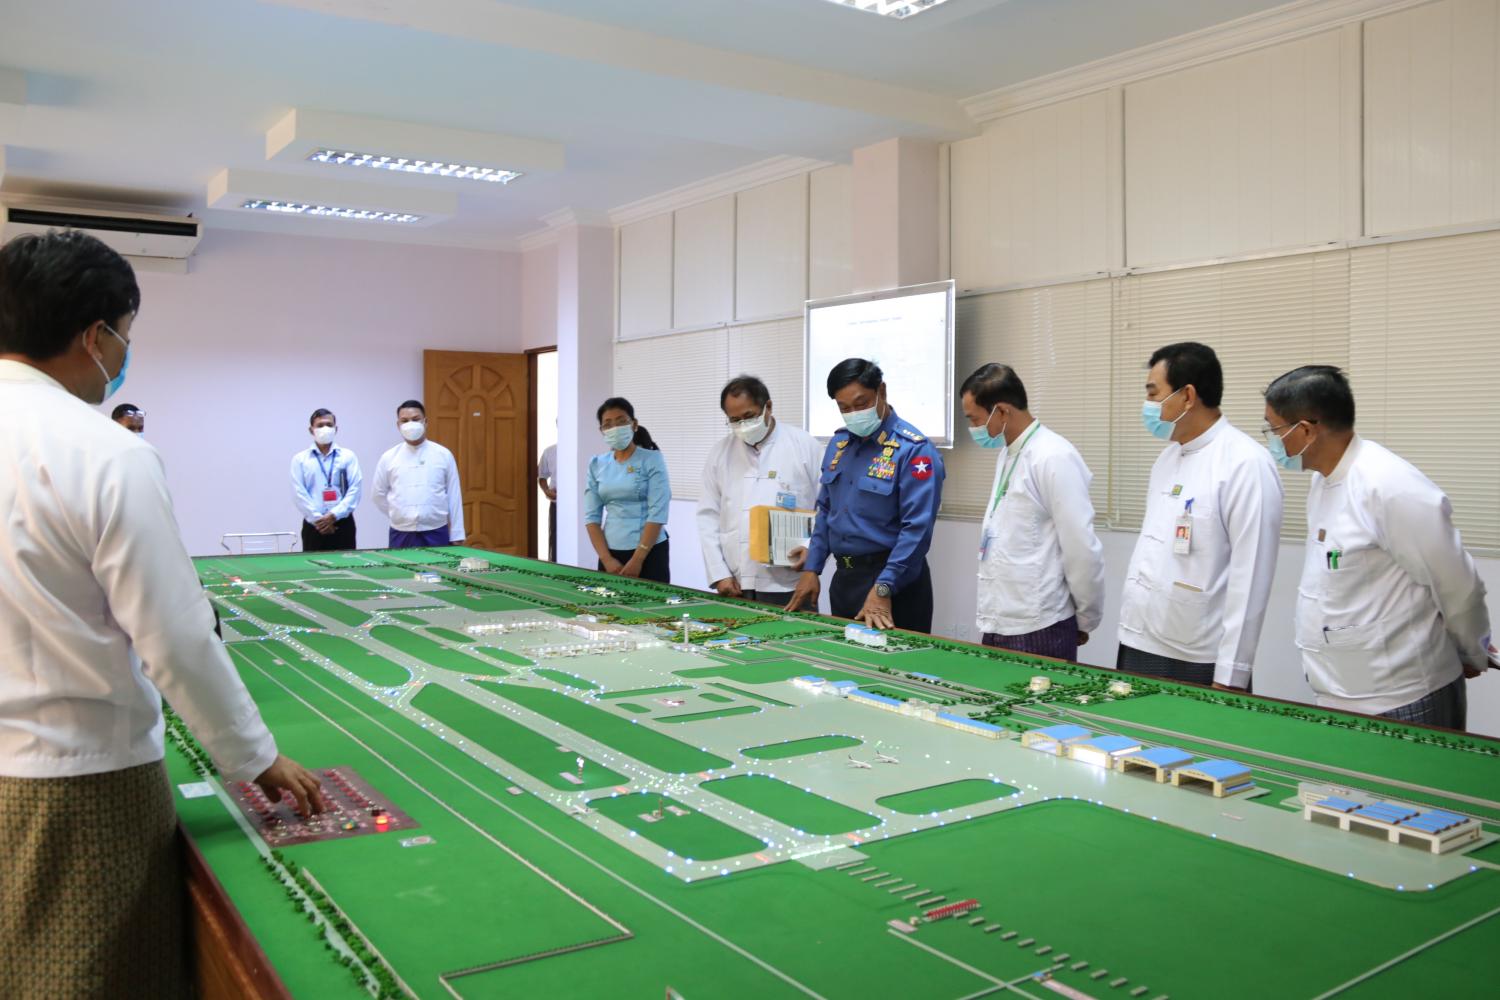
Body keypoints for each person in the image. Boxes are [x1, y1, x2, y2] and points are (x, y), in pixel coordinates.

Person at [0, 230, 324, 998]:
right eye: (126, 335)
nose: (124, 355)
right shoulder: (107, 454)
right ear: (95, 337)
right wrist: (254, 756)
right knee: (101, 977)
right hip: (82, 783)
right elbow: (176, 637)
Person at [1264, 365, 1489, 729]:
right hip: (1341, 690)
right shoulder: (1324, 481)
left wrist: (1471, 650)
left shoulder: (1389, 486)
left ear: (1305, 430)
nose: (1272, 441)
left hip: (1404, 696)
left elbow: (1457, 584)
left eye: (1274, 430)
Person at [1117, 342, 1283, 690]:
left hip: (1196, 653)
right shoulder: (1167, 459)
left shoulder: (1245, 463)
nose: (1147, 404)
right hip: (1139, 637)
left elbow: (1251, 576)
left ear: (1187, 396)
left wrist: (1232, 674)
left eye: (1153, 393)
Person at [961, 363, 1105, 662]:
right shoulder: (1009, 452)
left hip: (1041, 624)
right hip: (1000, 617)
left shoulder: (1053, 456)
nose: (973, 428)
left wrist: (1085, 618)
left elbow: (1081, 547)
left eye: (974, 419)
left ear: (1002, 411)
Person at [788, 359, 944, 632]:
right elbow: (827, 511)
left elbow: (916, 531)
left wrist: (884, 587)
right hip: (845, 580)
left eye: (861, 404)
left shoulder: (913, 450)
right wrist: (813, 568)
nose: (853, 414)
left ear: (881, 391)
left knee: (895, 660)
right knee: (844, 657)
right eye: (844, 408)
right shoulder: (839, 445)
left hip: (895, 584)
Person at [696, 375, 823, 608]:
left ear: (768, 407)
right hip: (735, 579)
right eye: (735, 420)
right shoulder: (720, 453)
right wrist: (718, 572)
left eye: (749, 416)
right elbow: (708, 516)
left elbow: (826, 508)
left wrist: (812, 555)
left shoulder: (805, 446)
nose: (743, 425)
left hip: (791, 580)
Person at [585, 397, 671, 582]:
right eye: (608, 424)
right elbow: (591, 518)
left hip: (649, 551)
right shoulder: (596, 464)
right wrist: (606, 559)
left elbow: (658, 513)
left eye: (621, 421)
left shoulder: (652, 459)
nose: (615, 428)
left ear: (634, 424)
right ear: (602, 430)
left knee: (649, 600)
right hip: (610, 553)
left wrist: (638, 559)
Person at [371, 399, 465, 548]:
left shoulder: (443, 454)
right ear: (398, 425)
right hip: (401, 532)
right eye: (405, 421)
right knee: (401, 564)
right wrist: (399, 513)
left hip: (436, 530)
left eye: (415, 419)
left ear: (425, 422)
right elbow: (378, 494)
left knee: (438, 564)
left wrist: (457, 533)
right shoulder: (388, 457)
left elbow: (454, 495)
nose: (410, 424)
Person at [291, 407, 363, 552]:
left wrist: (334, 515)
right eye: (320, 425)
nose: (325, 428)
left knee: (346, 563)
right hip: (314, 526)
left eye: (329, 425)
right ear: (311, 430)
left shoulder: (348, 456)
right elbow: (299, 493)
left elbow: (355, 489)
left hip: (342, 524)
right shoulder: (300, 459)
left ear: (336, 429)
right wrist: (319, 520)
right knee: (313, 565)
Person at [537, 441, 558, 561]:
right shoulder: (549, 451)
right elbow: (542, 477)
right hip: (556, 505)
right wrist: (546, 491)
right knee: (555, 542)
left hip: (580, 508)